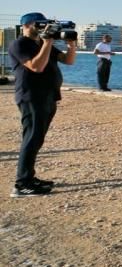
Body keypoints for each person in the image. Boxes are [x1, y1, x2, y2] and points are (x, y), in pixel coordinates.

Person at [8, 12, 77, 197]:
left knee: (37, 139)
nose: (41, 28)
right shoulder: (20, 43)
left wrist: (71, 45)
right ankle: (22, 184)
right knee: (31, 138)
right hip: (31, 96)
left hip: (48, 96)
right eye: (38, 25)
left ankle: (29, 178)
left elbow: (68, 61)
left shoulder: (42, 43)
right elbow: (36, 66)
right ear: (27, 25)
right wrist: (47, 42)